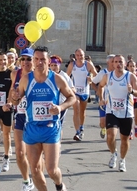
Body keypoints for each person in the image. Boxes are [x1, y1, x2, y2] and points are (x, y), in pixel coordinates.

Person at [11, 46, 76, 191]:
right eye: (36, 59)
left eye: (42, 59)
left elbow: (72, 98)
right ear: (33, 61)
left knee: (52, 170)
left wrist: (59, 108)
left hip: (50, 129)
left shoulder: (57, 79)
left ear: (48, 60)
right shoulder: (26, 79)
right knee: (34, 170)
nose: (39, 62)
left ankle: (59, 185)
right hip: (32, 129)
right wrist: (14, 98)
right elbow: (16, 101)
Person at [98, 55, 137, 172]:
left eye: (120, 62)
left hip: (126, 113)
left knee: (124, 139)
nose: (118, 64)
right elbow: (101, 86)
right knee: (110, 136)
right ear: (113, 64)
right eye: (116, 62)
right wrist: (101, 98)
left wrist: (132, 91)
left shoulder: (130, 77)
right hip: (111, 111)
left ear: (124, 64)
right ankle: (114, 154)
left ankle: (122, 160)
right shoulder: (108, 76)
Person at [8, 48, 35, 190]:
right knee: (19, 152)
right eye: (23, 59)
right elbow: (13, 95)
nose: (25, 62)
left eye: (28, 59)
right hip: (20, 116)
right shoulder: (15, 73)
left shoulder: (39, 76)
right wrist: (11, 101)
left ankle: (37, 177)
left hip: (37, 119)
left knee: (34, 155)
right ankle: (26, 181)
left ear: (34, 61)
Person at [66, 48, 97, 141]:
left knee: (82, 111)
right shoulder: (72, 65)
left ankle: (82, 127)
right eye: (77, 55)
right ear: (75, 56)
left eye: (81, 55)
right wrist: (69, 87)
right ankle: (77, 131)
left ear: (84, 55)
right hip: (75, 92)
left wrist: (91, 78)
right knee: (77, 108)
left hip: (85, 92)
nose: (79, 57)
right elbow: (66, 77)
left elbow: (96, 75)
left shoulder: (88, 64)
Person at [91, 54, 115, 139]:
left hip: (115, 102)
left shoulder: (119, 73)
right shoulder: (103, 73)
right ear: (108, 62)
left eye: (115, 61)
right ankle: (103, 128)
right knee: (102, 122)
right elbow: (93, 82)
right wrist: (97, 91)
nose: (114, 63)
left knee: (113, 125)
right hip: (104, 101)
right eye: (112, 61)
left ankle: (111, 141)